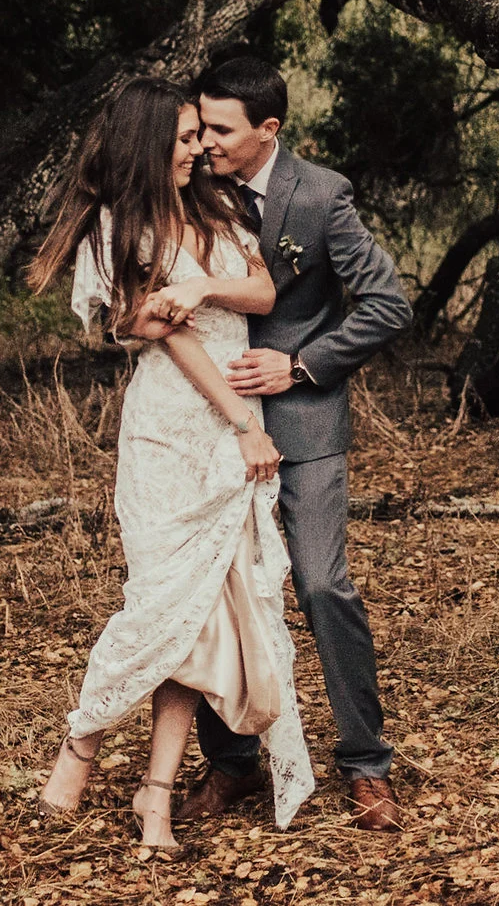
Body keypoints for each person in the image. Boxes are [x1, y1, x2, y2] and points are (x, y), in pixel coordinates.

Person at [25, 77, 317, 849]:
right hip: (173, 429)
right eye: (186, 137)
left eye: (200, 135)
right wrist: (236, 418)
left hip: (233, 429)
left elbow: (258, 291)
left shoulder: (216, 205)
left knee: (201, 619)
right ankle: (80, 739)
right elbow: (167, 338)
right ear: (150, 141)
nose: (200, 148)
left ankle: (154, 795)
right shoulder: (119, 224)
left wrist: (197, 284)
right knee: (159, 603)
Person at [181, 55, 414, 833]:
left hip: (304, 423)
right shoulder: (189, 184)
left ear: (268, 129)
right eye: (201, 123)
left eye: (221, 128)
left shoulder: (320, 195)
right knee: (218, 592)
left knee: (320, 585)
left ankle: (366, 764)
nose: (205, 140)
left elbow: (387, 304)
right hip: (208, 424)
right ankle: (232, 763)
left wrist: (302, 363)